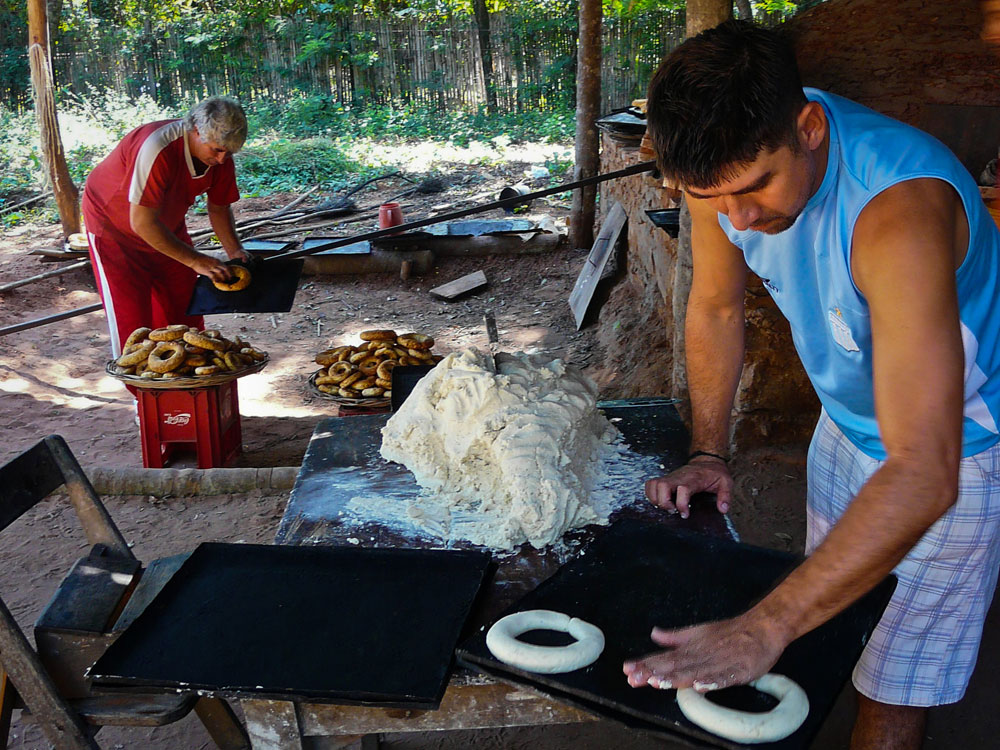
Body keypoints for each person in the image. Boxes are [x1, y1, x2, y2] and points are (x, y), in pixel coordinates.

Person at [624, 20, 1000, 750]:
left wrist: (763, 625)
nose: (740, 219)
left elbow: (925, 472)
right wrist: (709, 452)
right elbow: (716, 306)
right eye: (713, 198)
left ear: (810, 129)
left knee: (891, 690)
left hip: (959, 448)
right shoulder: (723, 158)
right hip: (845, 424)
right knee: (840, 623)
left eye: (755, 189)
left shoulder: (898, 214)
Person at [82, 96, 251, 361]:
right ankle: (141, 388)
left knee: (187, 319)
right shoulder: (157, 147)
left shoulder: (222, 156)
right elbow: (142, 222)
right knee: (134, 330)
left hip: (165, 226)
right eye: (217, 150)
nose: (222, 159)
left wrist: (235, 251)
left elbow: (219, 208)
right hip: (115, 229)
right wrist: (195, 260)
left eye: (229, 153)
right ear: (196, 132)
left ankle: (194, 385)